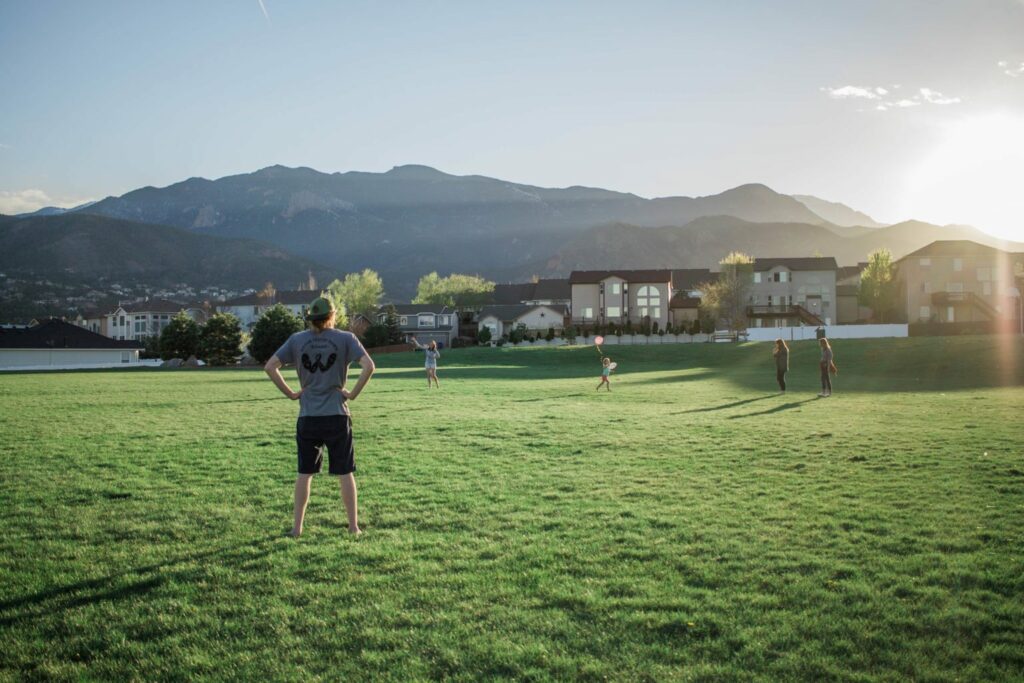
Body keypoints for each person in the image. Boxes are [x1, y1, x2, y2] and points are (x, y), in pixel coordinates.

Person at [264, 296, 375, 538]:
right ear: (333, 316)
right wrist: (352, 394)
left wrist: (292, 394)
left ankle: (297, 528)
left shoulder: (297, 340)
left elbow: (270, 366)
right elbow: (369, 366)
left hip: (308, 416)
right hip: (337, 415)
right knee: (345, 472)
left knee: (305, 473)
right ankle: (353, 527)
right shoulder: (346, 338)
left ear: (310, 319)